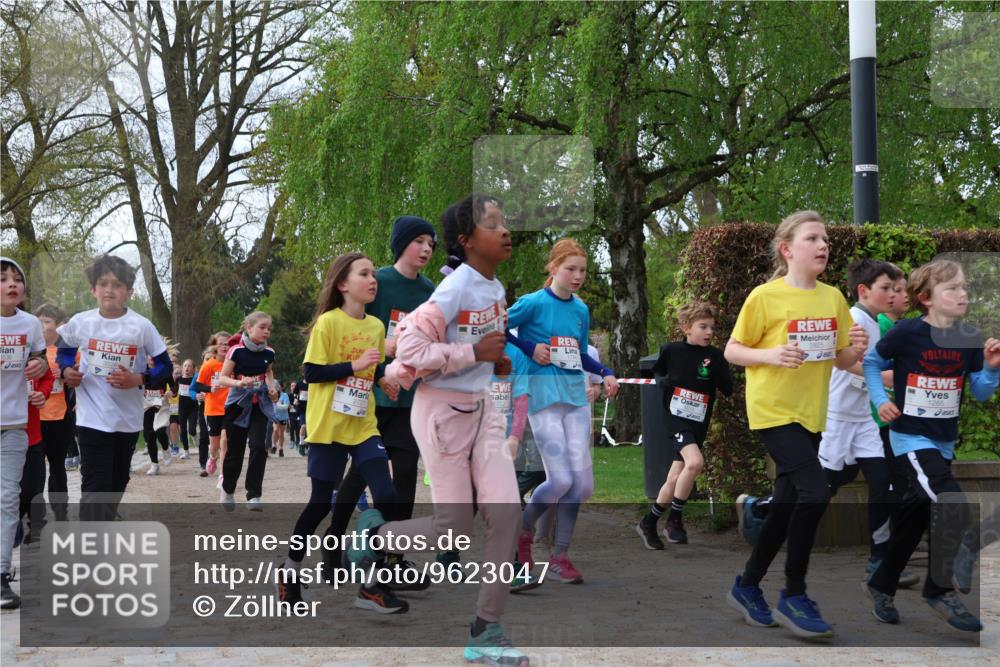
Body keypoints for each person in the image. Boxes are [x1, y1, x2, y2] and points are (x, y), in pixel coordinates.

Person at [342, 194, 529, 666]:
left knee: (506, 514)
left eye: (504, 222)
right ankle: (375, 536)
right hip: (441, 415)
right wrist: (474, 356)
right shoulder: (453, 289)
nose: (504, 230)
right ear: (466, 241)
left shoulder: (496, 288)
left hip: (484, 411)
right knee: (454, 530)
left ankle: (486, 630)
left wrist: (496, 362)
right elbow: (408, 348)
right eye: (492, 224)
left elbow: (479, 344)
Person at [724, 211, 867, 639]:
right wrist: (770, 356)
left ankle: (747, 586)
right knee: (815, 490)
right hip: (773, 410)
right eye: (812, 239)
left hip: (811, 413)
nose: (823, 245)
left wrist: (855, 350)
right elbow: (733, 350)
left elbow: (840, 359)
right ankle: (794, 593)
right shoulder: (764, 297)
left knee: (786, 506)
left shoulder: (833, 299)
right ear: (787, 249)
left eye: (824, 239)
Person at [863, 259, 999, 632]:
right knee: (951, 501)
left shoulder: (969, 338)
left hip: (942, 443)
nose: (962, 294)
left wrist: (990, 368)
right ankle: (938, 590)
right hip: (909, 438)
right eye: (952, 288)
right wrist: (880, 400)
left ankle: (881, 584)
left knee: (913, 520)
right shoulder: (907, 332)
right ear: (926, 298)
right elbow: (871, 363)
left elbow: (982, 393)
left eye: (964, 288)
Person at [276, 252, 406, 614]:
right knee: (319, 504)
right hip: (328, 425)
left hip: (363, 424)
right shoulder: (328, 323)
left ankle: (372, 584)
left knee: (387, 496)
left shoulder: (377, 327)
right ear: (343, 284)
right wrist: (355, 364)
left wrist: (383, 380)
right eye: (364, 273)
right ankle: (289, 571)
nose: (372, 279)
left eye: (373, 274)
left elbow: (374, 366)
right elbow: (311, 373)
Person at [325, 215, 437, 589]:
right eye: (419, 241)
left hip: (410, 399)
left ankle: (393, 558)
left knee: (405, 474)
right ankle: (334, 543)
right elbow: (358, 334)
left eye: (431, 244)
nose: (426, 249)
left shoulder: (431, 291)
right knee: (359, 476)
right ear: (401, 243)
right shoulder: (378, 283)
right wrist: (382, 373)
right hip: (369, 395)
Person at [507, 238, 618, 584]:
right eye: (570, 269)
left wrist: (605, 372)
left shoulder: (581, 310)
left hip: (575, 398)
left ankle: (560, 557)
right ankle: (523, 532)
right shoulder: (533, 303)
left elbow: (581, 352)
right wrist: (530, 347)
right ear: (553, 268)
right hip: (542, 397)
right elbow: (496, 326)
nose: (578, 276)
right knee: (560, 479)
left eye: (583, 270)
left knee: (582, 485)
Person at [57, 255, 172, 518]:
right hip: (91, 419)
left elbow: (164, 367)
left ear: (129, 292)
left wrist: (139, 379)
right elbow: (64, 348)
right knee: (95, 488)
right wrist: (67, 371)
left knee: (116, 485)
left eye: (117, 285)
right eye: (103, 283)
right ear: (93, 289)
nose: (109, 290)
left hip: (127, 420)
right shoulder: (81, 322)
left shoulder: (141, 326)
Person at [637, 301, 732, 549]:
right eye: (703, 327)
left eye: (712, 327)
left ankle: (649, 522)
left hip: (698, 421)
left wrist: (722, 371)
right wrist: (662, 381)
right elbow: (654, 373)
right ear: (686, 328)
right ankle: (675, 520)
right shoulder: (671, 350)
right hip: (676, 419)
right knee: (695, 462)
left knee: (675, 476)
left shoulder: (714, 356)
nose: (709, 332)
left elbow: (728, 388)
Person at [1, 257, 47, 609]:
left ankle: (2, 577)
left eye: (17, 279)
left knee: (7, 501)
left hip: (14, 423)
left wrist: (38, 366)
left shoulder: (30, 324)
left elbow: (41, 361)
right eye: (3, 279)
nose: (11, 284)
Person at [216, 315, 279, 511]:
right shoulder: (236, 351)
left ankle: (253, 495)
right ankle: (227, 490)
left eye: (269, 328)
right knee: (235, 451)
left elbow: (268, 372)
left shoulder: (269, 352)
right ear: (248, 328)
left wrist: (272, 388)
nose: (267, 331)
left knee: (259, 446)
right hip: (237, 404)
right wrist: (239, 383)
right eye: (262, 327)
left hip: (260, 403)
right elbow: (223, 379)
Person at [35, 304, 76, 522]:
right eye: (39, 320)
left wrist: (67, 375)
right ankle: (36, 515)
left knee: (58, 467)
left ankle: (61, 514)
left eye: (47, 321)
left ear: (58, 326)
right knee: (35, 470)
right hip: (35, 419)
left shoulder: (66, 352)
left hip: (60, 417)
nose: (42, 325)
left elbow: (79, 379)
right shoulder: (31, 350)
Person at [195, 333, 231, 480]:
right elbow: (198, 385)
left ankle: (223, 475)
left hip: (230, 408)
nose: (224, 346)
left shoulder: (233, 364)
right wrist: (210, 389)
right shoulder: (209, 365)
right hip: (213, 409)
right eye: (221, 343)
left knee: (225, 442)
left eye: (227, 344)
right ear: (214, 346)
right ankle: (212, 457)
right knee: (214, 444)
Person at [142, 352, 179, 476]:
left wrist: (172, 393)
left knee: (159, 431)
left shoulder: (164, 371)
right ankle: (154, 465)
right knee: (149, 435)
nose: (151, 359)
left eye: (154, 356)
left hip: (161, 402)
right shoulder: (141, 369)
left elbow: (174, 386)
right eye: (149, 356)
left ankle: (166, 448)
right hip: (146, 404)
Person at [177, 358, 200, 467]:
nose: (187, 368)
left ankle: (195, 436)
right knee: (183, 430)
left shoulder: (195, 379)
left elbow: (199, 390)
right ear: (182, 368)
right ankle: (186, 451)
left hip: (193, 408)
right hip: (182, 408)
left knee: (191, 429)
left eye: (189, 366)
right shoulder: (179, 379)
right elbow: (173, 389)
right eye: (185, 365)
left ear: (193, 368)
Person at [271, 381, 289, 456]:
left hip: (283, 417)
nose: (276, 388)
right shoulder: (271, 395)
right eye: (275, 386)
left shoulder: (284, 395)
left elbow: (286, 406)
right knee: (275, 430)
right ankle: (274, 445)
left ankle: (281, 449)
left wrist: (277, 404)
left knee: (281, 434)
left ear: (281, 387)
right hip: (275, 416)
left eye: (278, 386)